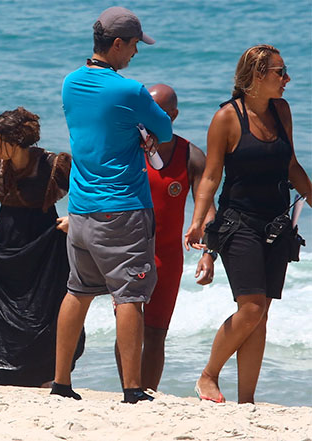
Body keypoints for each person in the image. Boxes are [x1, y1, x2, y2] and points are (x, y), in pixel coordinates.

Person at [51, 6, 172, 403]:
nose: (136, 52)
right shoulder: (130, 89)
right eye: (134, 45)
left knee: (78, 292)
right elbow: (165, 128)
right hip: (121, 207)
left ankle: (61, 383)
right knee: (130, 297)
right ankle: (133, 389)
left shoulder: (70, 82)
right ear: (117, 44)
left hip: (81, 207)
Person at [184, 45, 311, 404]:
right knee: (252, 305)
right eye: (279, 72)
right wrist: (197, 224)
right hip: (237, 222)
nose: (287, 79)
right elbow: (210, 177)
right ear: (257, 76)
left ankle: (247, 400)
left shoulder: (281, 111)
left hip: (277, 223)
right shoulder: (226, 118)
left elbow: (292, 167)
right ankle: (208, 375)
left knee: (261, 313)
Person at [0, 107, 85, 388]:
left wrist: (74, 218)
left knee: (48, 308)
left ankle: (50, 375)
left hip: (46, 241)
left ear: (16, 141)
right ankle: (8, 374)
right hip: (5, 240)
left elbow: (85, 191)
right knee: (2, 310)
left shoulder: (53, 164)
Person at [114, 84, 217, 392]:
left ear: (173, 114)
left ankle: (148, 394)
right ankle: (128, 392)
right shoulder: (127, 148)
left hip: (168, 256)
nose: (148, 119)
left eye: (157, 111)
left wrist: (209, 251)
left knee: (156, 333)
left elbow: (208, 209)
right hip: (128, 252)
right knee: (128, 329)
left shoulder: (191, 155)